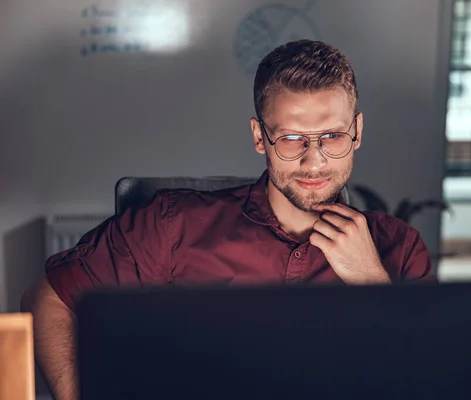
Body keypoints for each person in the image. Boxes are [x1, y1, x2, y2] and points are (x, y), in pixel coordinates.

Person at [21, 39, 436, 400]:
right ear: (260, 138)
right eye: (291, 138)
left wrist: (373, 284)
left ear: (357, 132)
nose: (315, 160)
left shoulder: (399, 248)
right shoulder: (171, 226)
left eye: (333, 136)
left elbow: (433, 377)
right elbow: (47, 299)